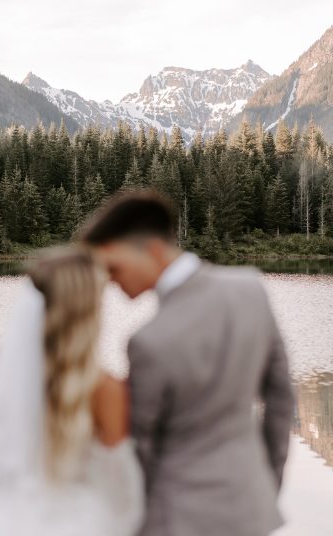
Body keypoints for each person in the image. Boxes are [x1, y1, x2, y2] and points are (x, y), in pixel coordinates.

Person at [81, 190, 295, 536]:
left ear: (153, 250)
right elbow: (281, 398)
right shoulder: (250, 289)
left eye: (114, 267)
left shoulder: (148, 341)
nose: (110, 280)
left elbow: (142, 449)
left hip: (175, 519)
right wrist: (267, 484)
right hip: (252, 509)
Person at [0, 247, 144, 536]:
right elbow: (122, 490)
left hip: (7, 521)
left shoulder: (0, 370)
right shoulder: (103, 388)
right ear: (85, 308)